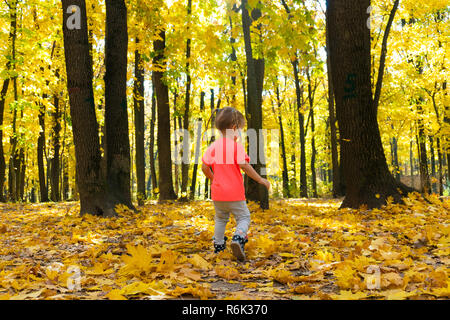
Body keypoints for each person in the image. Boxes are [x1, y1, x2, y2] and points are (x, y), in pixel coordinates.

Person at [201, 107, 270, 261]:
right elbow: (245, 166)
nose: (241, 134)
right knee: (244, 217)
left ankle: (218, 246)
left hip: (218, 194)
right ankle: (238, 237)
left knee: (220, 219)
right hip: (235, 194)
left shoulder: (212, 147)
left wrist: (213, 179)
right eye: (241, 130)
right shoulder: (235, 147)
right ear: (234, 128)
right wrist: (260, 179)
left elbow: (204, 167)